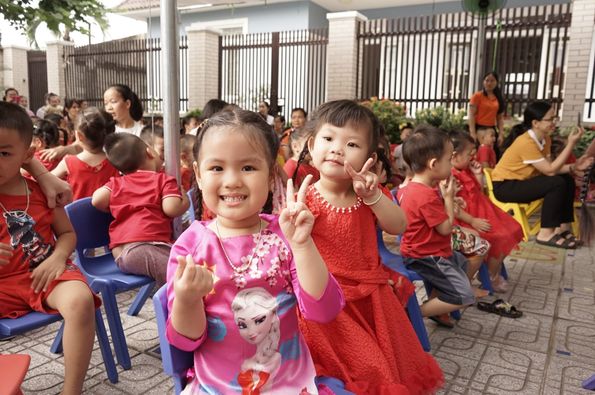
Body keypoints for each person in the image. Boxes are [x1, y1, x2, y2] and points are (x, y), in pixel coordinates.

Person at [166, 108, 345, 394]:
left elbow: (324, 311)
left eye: (248, 168)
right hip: (217, 386)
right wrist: (187, 299)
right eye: (217, 168)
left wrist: (302, 245)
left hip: (290, 383)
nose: (233, 180)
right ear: (198, 175)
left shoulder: (285, 235)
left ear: (270, 174)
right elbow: (186, 341)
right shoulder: (190, 246)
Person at [297, 100, 443, 393]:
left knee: (379, 367)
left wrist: (375, 196)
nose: (337, 149)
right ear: (312, 146)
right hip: (327, 301)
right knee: (340, 365)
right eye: (328, 139)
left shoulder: (368, 193)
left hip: (370, 296)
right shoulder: (304, 198)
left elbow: (398, 225)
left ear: (370, 158)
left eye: (351, 144)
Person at [0, 102, 101, 395]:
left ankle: (71, 391)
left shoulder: (42, 190)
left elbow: (67, 233)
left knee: (81, 301)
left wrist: (59, 257)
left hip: (43, 273)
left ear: (27, 154)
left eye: (4, 153)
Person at [399, 125, 476, 325]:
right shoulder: (424, 195)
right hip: (425, 256)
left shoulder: (414, 186)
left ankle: (440, 302)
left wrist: (446, 198)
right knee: (464, 295)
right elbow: (445, 229)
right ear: (433, 164)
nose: (452, 164)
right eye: (449, 159)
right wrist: (449, 198)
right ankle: (413, 313)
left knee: (462, 262)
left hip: (425, 251)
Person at [91, 133, 189, 286]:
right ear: (149, 152)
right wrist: (185, 200)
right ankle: (186, 303)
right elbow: (171, 209)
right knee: (182, 273)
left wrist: (113, 206)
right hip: (143, 248)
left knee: (182, 262)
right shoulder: (163, 180)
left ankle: (174, 297)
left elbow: (96, 199)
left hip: (119, 253)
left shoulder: (116, 183)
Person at [492, 101, 593, 249]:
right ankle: (545, 233)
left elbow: (552, 168)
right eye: (550, 119)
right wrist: (570, 144)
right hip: (505, 186)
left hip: (521, 183)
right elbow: (550, 170)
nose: (554, 122)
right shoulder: (526, 142)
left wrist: (574, 166)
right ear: (535, 123)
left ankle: (562, 228)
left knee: (566, 180)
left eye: (554, 118)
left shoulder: (545, 139)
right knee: (556, 183)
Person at [449, 130, 524, 292]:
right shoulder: (449, 176)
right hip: (467, 218)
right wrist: (472, 221)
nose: (473, 158)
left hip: (483, 210)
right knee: (499, 236)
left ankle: (491, 272)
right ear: (454, 156)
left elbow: (477, 192)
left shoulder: (466, 169)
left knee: (514, 228)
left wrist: (478, 176)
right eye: (470, 154)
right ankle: (490, 276)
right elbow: (451, 207)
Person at [51, 108, 119, 201]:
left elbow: (47, 180)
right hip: (108, 214)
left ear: (79, 136)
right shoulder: (116, 161)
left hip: (75, 214)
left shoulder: (69, 162)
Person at [468, 71, 506, 158]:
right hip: (479, 128)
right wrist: (472, 133)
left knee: (493, 155)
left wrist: (500, 134)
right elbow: (471, 115)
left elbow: (500, 118)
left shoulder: (499, 98)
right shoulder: (477, 96)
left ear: (497, 82)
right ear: (483, 81)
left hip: (491, 129)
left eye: (492, 80)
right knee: (478, 154)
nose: (489, 83)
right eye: (487, 80)